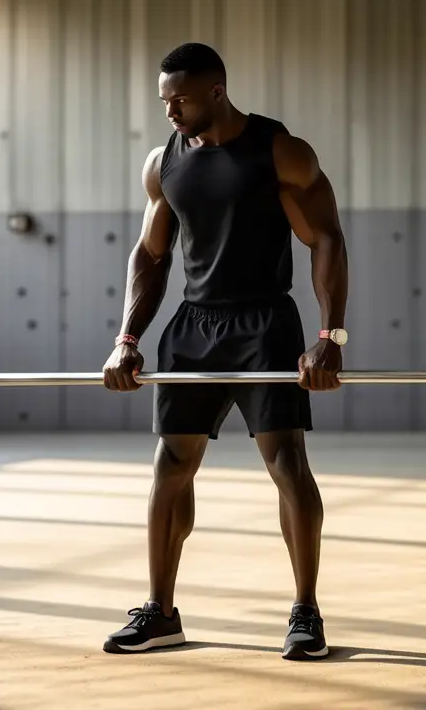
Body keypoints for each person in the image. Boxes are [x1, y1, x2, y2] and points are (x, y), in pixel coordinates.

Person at [99, 42, 349, 661]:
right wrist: (126, 339)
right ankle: (160, 612)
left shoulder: (280, 151)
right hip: (193, 327)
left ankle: (306, 613)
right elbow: (151, 255)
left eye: (179, 99)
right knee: (170, 467)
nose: (170, 112)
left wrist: (329, 339)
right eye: (164, 101)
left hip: (264, 322)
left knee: (287, 464)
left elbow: (324, 239)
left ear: (216, 91)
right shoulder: (164, 163)